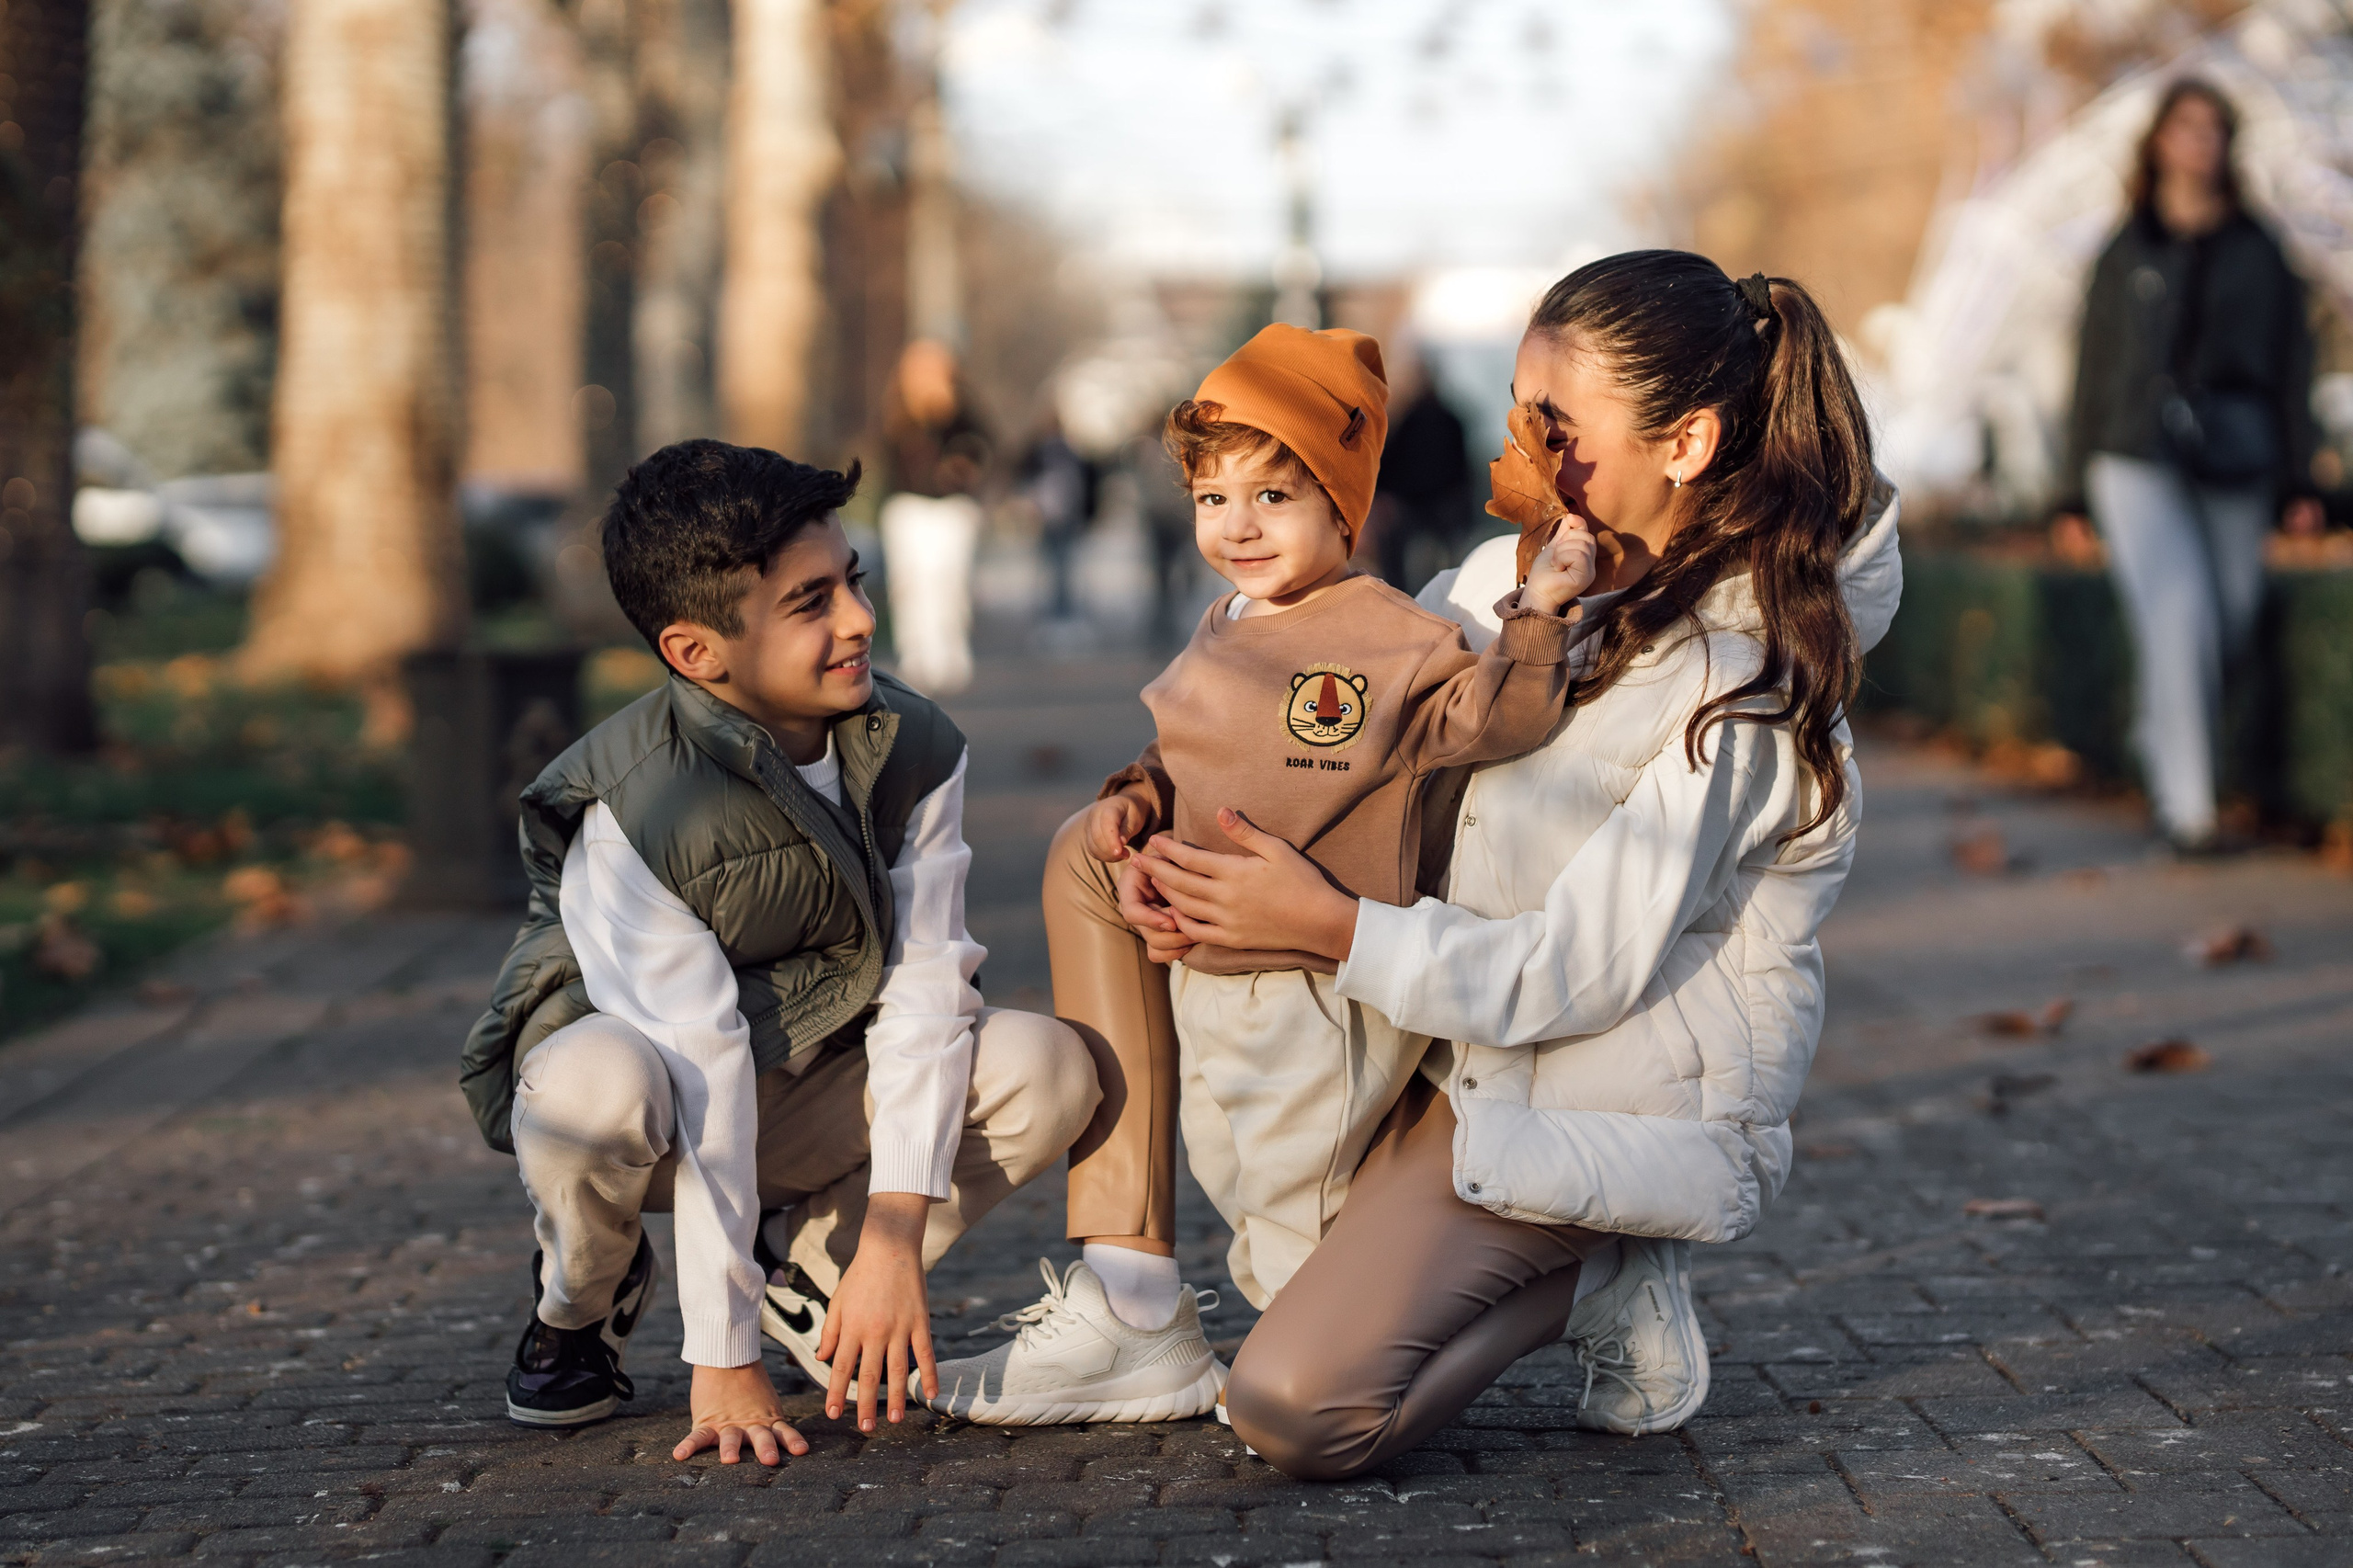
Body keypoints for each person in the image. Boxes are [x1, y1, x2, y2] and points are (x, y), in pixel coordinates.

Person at [1102, 253, 1901, 1478]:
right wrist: (1161, 807)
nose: (1519, 447)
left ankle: (1603, 1273)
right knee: (1081, 856)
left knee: (1297, 1405)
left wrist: (1325, 925)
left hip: (1589, 1088)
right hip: (1443, 1051)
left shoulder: (1737, 693)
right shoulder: (1498, 582)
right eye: (1521, 412)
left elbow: (1575, 972)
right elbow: (1339, 730)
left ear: (1682, 442)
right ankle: (1122, 1285)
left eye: (1554, 425)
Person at [918, 325, 1598, 1426]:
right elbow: (1181, 753)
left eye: (1274, 495)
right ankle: (1258, 1331)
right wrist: (1134, 795)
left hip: (1314, 988)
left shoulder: (1391, 636)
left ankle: (1343, 1353)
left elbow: (1495, 719)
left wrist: (1542, 613)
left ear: (1342, 504)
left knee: (1295, 1200)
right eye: (1214, 497)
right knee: (1233, 1175)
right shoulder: (1224, 623)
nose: (1237, 525)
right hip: (1212, 973)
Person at [458, 440, 1099, 1465]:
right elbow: (697, 1063)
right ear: (695, 651)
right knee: (599, 1090)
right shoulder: (638, 806)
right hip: (650, 1106)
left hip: (801, 1089)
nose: (859, 620)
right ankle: (583, 1297)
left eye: (853, 579)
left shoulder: (910, 747)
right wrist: (722, 1358)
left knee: (1048, 1065)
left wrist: (893, 1232)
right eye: (811, 603)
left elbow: (929, 986)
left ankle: (814, 1276)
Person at [2056, 77, 2323, 853]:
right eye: (2186, 127)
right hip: (2132, 454)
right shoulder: (2125, 247)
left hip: (2238, 452)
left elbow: (2292, 366)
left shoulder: (2260, 248)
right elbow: (2091, 367)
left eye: (2213, 128)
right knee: (2178, 616)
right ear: (2159, 142)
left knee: (2229, 619)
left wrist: (2305, 478)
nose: (2199, 142)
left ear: (2228, 144)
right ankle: (2190, 811)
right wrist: (2071, 490)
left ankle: (2156, 732)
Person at [879, 339, 992, 693]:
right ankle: (915, 655)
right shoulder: (896, 408)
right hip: (907, 506)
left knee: (949, 580)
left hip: (951, 507)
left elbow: (987, 444)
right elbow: (884, 453)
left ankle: (951, 653)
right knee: (910, 583)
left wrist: (965, 462)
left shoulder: (963, 408)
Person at [1366, 368, 1474, 590]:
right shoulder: (1448, 419)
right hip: (1437, 504)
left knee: (1405, 561)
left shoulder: (1408, 420)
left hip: (1417, 505)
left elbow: (1390, 462)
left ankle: (1404, 594)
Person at [1015, 411, 1098, 622]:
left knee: (1059, 567)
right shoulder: (1057, 452)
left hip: (1059, 517)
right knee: (1058, 567)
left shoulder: (1058, 452)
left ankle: (1060, 612)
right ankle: (1056, 612)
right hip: (1055, 517)